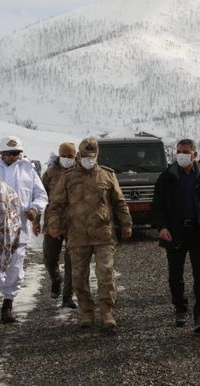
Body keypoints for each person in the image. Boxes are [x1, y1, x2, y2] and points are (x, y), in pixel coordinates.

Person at [45, 137, 133, 329]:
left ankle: (106, 311)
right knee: (78, 277)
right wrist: (53, 225)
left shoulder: (107, 175)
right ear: (78, 155)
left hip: (103, 234)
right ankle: (86, 312)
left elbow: (119, 202)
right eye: (84, 156)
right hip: (77, 235)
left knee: (105, 274)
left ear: (97, 155)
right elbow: (55, 205)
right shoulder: (67, 178)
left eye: (91, 157)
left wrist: (126, 223)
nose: (88, 160)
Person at [153, 139, 200, 333]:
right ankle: (180, 308)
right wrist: (162, 227)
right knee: (175, 275)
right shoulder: (167, 177)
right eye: (179, 151)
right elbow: (158, 205)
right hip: (175, 232)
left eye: (186, 152)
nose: (182, 155)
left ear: (195, 154)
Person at [0, 136, 48, 323]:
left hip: (20, 227)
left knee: (15, 268)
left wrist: (35, 208)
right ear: (1, 154)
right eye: (8, 154)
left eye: (16, 153)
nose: (12, 157)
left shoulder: (28, 170)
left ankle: (8, 306)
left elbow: (41, 195)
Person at [39, 142, 77, 309]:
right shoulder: (49, 173)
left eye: (71, 156)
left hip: (74, 223)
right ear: (58, 155)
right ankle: (56, 279)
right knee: (49, 257)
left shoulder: (80, 172)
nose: (67, 159)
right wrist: (36, 221)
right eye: (64, 156)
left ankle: (68, 297)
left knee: (72, 263)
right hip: (53, 221)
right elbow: (40, 196)